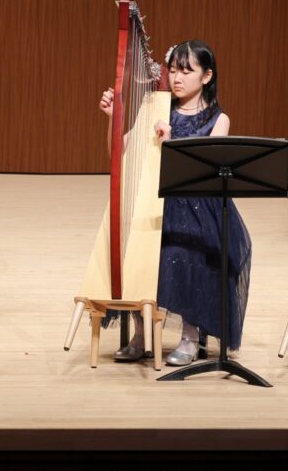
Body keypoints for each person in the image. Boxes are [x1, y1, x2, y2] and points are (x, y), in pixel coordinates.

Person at [100, 40, 252, 366]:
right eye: (172, 69)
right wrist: (115, 119)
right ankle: (141, 336)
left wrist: (171, 142)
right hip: (157, 202)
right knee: (138, 252)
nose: (177, 77)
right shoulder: (157, 108)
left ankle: (190, 337)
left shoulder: (218, 118)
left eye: (187, 70)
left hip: (198, 209)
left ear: (206, 76)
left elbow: (206, 169)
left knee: (184, 254)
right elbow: (120, 152)